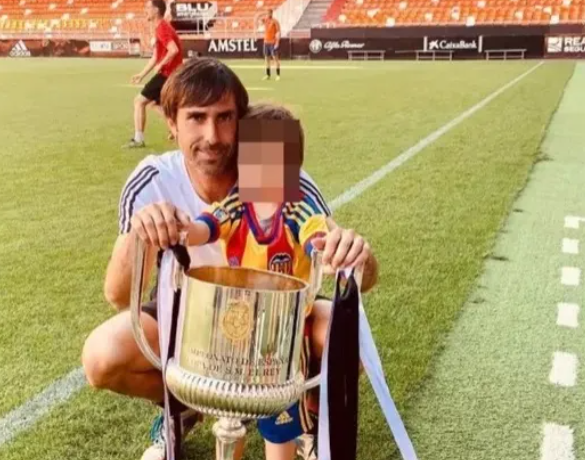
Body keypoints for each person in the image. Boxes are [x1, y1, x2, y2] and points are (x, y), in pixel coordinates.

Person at [81, 57, 378, 460]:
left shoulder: (279, 172)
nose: (212, 136)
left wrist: (356, 255)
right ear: (171, 123)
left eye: (224, 118)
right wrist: (141, 233)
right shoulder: (153, 180)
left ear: (242, 122)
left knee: (349, 337)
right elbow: (118, 296)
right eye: (196, 117)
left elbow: (355, 272)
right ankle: (185, 406)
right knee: (101, 357)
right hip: (192, 313)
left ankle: (308, 415)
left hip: (275, 315)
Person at [184, 103, 325, 460]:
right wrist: (180, 230)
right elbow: (206, 226)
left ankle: (297, 435)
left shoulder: (297, 207)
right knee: (229, 412)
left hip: (284, 335)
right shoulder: (236, 203)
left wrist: (323, 246)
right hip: (237, 330)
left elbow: (315, 233)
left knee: (278, 418)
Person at [124, 0, 183, 149]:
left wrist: (161, 65)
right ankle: (177, 129)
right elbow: (156, 57)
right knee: (155, 104)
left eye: (147, 7)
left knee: (139, 101)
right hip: (171, 74)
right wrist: (141, 74)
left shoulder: (162, 28)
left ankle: (138, 139)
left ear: (156, 10)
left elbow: (173, 50)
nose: (145, 11)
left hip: (168, 74)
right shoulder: (160, 28)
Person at [259, 10, 281, 81]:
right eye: (267, 13)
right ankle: (268, 75)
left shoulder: (275, 21)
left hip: (273, 42)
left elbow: (278, 32)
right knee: (266, 58)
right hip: (266, 42)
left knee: (275, 58)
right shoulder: (265, 20)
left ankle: (278, 75)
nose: (268, 14)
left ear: (272, 13)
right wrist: (262, 15)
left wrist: (277, 42)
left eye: (269, 13)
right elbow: (258, 19)